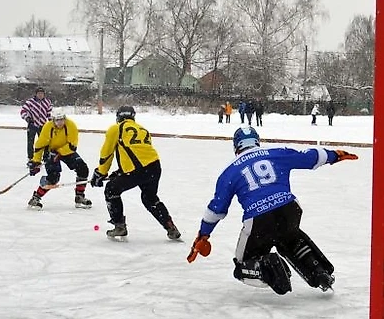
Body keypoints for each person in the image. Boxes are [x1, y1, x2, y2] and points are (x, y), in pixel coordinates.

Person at [186, 126, 359, 295]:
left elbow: (217, 209)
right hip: (289, 209)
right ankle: (319, 270)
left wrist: (204, 234)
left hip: (258, 217)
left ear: (236, 147)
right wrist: (334, 155)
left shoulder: (229, 172)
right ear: (256, 142)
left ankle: (268, 266)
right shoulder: (276, 153)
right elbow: (309, 158)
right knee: (289, 239)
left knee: (242, 266)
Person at [90, 105, 181, 242]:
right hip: (154, 166)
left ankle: (119, 225)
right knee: (149, 198)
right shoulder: (142, 129)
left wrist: (100, 173)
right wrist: (119, 173)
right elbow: (137, 153)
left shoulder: (116, 128)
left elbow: (107, 153)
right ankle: (170, 226)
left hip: (139, 169)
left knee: (111, 190)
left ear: (118, 117)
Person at [26, 109, 92, 210]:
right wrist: (36, 161)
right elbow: (40, 145)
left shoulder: (71, 125)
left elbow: (73, 145)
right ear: (53, 120)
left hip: (67, 150)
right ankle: (35, 198)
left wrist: (60, 152)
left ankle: (79, 197)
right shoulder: (48, 127)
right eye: (57, 120)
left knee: (83, 169)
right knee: (53, 178)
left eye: (62, 119)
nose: (60, 122)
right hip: (51, 151)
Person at [20, 87, 53, 161]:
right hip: (32, 124)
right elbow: (23, 111)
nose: (40, 95)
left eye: (42, 94)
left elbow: (49, 113)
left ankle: (45, 157)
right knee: (30, 142)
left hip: (43, 125)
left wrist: (51, 122)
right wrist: (27, 118)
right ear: (36, 94)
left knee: (45, 142)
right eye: (39, 93)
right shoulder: (30, 102)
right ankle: (31, 158)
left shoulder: (47, 102)